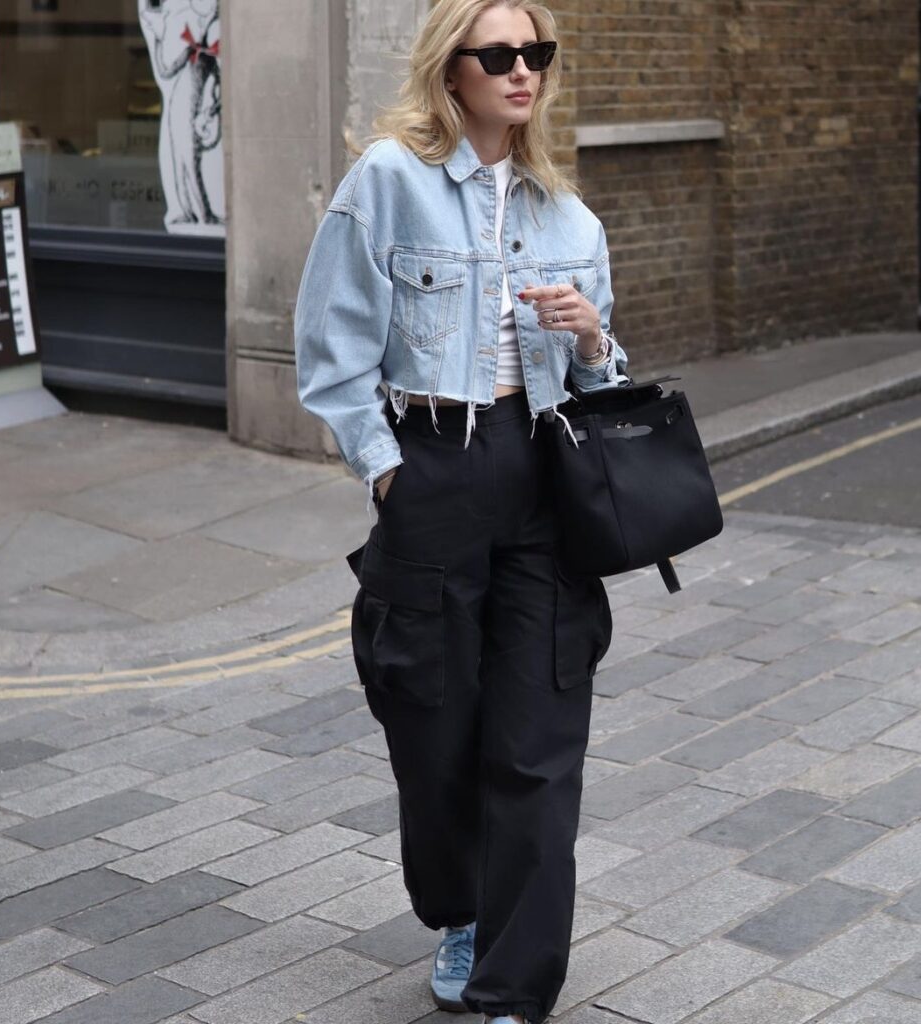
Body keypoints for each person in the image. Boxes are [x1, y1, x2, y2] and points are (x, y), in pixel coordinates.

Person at [294, 3, 629, 1022]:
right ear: (454, 69)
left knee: (536, 738)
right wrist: (391, 472)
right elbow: (331, 354)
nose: (521, 71)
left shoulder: (569, 218)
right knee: (430, 719)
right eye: (499, 54)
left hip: (540, 476)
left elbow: (608, 384)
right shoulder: (387, 184)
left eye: (536, 54)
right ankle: (460, 906)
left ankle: (511, 989)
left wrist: (587, 341)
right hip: (433, 469)